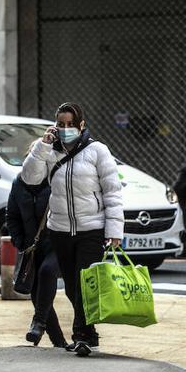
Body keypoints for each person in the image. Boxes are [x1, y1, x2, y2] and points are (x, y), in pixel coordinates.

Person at [21, 102, 124, 357]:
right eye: (61, 124)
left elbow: (112, 192)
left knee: (83, 283)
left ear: (81, 125)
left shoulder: (97, 151)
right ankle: (89, 333)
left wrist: (115, 230)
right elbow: (30, 179)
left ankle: (81, 336)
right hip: (60, 230)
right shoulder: (48, 151)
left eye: (70, 124)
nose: (65, 129)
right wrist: (42, 147)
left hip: (92, 228)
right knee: (70, 286)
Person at [6, 172, 67, 349]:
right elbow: (12, 216)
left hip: (57, 243)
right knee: (37, 294)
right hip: (31, 248)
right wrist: (20, 243)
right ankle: (59, 342)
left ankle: (38, 322)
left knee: (47, 272)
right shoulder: (19, 182)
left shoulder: (57, 179)